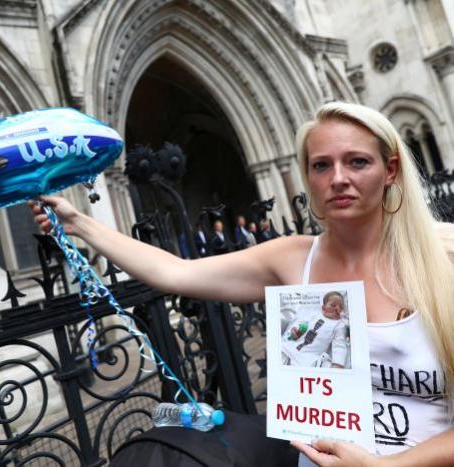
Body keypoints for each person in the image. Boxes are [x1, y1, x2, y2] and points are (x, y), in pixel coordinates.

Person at [30, 101, 454, 466]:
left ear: (391, 169)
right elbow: (176, 273)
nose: (338, 178)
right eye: (321, 165)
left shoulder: (443, 257)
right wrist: (79, 223)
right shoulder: (291, 257)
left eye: (357, 161)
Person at [281, 291, 348, 369]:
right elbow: (302, 324)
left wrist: (338, 364)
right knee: (281, 349)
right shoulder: (314, 315)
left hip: (311, 356)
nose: (338, 308)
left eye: (341, 307)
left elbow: (339, 345)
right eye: (333, 305)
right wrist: (295, 332)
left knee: (317, 365)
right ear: (323, 308)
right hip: (293, 347)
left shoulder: (339, 325)